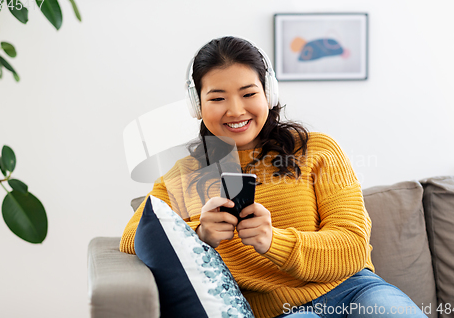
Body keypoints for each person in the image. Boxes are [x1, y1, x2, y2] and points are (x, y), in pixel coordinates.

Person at [120, 36, 427, 318]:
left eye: (248, 93)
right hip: (278, 312)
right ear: (196, 105)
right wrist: (200, 235)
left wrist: (274, 241)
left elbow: (353, 246)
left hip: (355, 290)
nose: (236, 110)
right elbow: (133, 238)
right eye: (217, 98)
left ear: (268, 93)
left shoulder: (318, 150)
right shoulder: (184, 174)